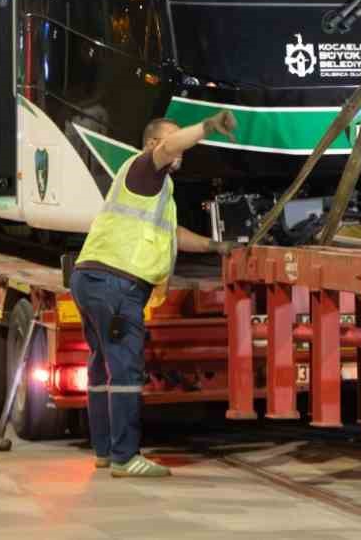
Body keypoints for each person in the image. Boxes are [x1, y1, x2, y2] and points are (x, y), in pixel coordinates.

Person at [71, 111, 238, 478]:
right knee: (127, 371)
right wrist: (208, 127)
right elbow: (170, 146)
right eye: (171, 140)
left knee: (102, 367)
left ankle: (104, 451)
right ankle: (125, 457)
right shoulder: (145, 167)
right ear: (153, 144)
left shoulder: (155, 188)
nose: (181, 148)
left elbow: (172, 233)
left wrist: (217, 246)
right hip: (116, 284)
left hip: (93, 279)